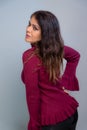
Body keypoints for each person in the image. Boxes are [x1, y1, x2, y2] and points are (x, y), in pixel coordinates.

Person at [21, 10, 80, 130]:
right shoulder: (55, 48)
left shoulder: (29, 56)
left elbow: (33, 96)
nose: (28, 29)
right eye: (29, 24)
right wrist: (66, 83)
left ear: (45, 33)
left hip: (52, 123)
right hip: (71, 112)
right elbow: (75, 56)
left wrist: (34, 124)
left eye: (35, 28)